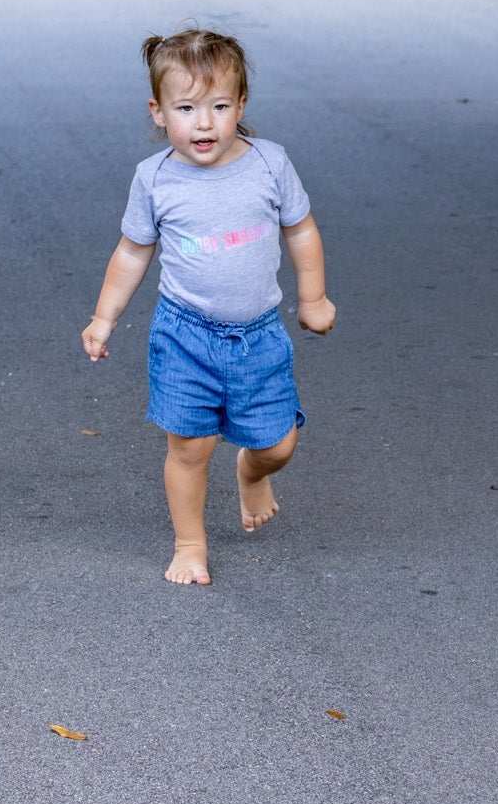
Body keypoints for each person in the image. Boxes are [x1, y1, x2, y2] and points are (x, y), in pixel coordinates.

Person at [81, 29, 335, 586]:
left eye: (220, 106)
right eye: (187, 108)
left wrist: (313, 297)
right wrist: (104, 318)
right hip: (184, 334)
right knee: (190, 445)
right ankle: (190, 543)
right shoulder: (155, 179)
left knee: (278, 443)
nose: (204, 123)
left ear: (241, 105)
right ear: (158, 111)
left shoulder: (270, 163)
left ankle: (252, 473)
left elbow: (301, 229)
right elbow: (131, 252)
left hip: (259, 335)